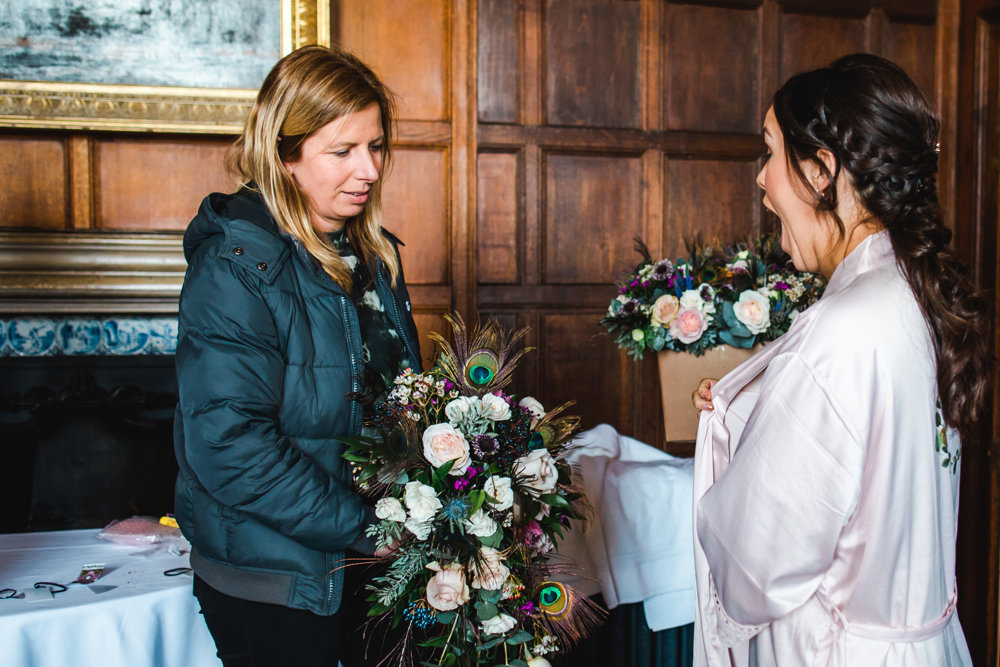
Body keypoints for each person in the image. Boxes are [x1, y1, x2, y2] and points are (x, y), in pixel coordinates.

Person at [689, 53, 990, 666]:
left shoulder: (843, 328)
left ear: (822, 171)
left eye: (770, 152)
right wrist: (752, 406)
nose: (761, 180)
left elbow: (758, 562)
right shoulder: (912, 292)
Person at [172, 45, 422, 666]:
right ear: (284, 156)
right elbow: (230, 446)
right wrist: (372, 528)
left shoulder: (373, 256)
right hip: (275, 581)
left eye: (376, 146)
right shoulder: (235, 267)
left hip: (375, 563)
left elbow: (402, 402)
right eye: (342, 151)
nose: (368, 169)